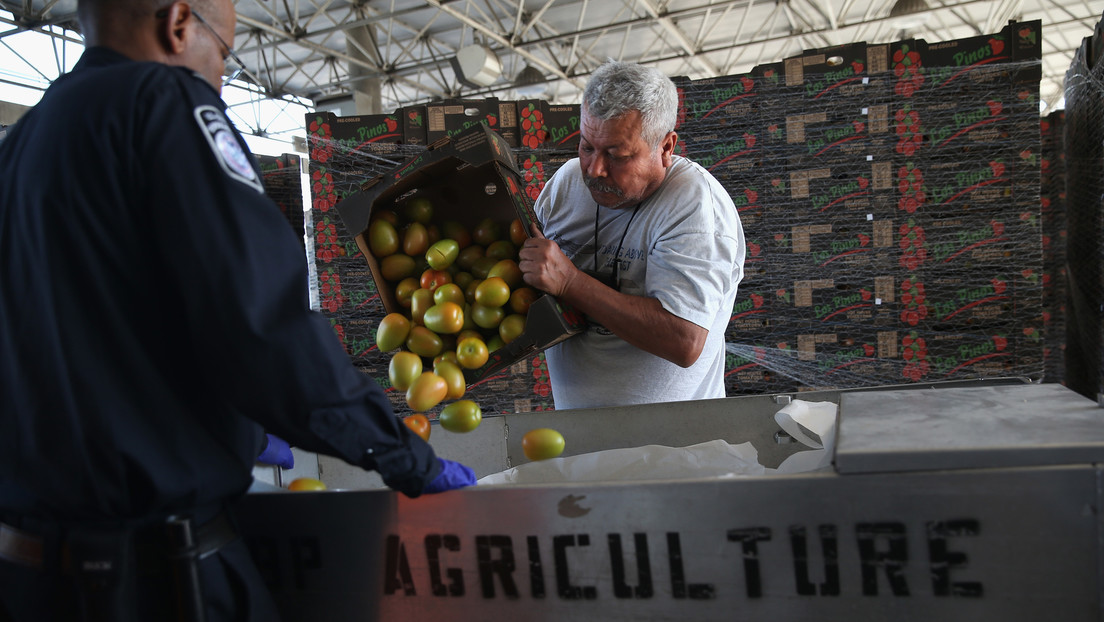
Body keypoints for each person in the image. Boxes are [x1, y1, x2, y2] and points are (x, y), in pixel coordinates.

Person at [0, 0, 475, 619]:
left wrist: (239, 428)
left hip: (27, 570)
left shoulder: (23, 143)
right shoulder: (166, 102)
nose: (221, 78)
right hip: (151, 577)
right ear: (177, 24)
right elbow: (260, 320)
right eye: (223, 54)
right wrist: (403, 454)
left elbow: (108, 330)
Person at [518, 61, 745, 410]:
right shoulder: (565, 185)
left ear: (666, 148)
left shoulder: (694, 206)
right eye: (587, 146)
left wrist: (571, 283)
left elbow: (683, 341)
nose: (594, 169)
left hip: (674, 450)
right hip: (577, 445)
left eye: (616, 155)